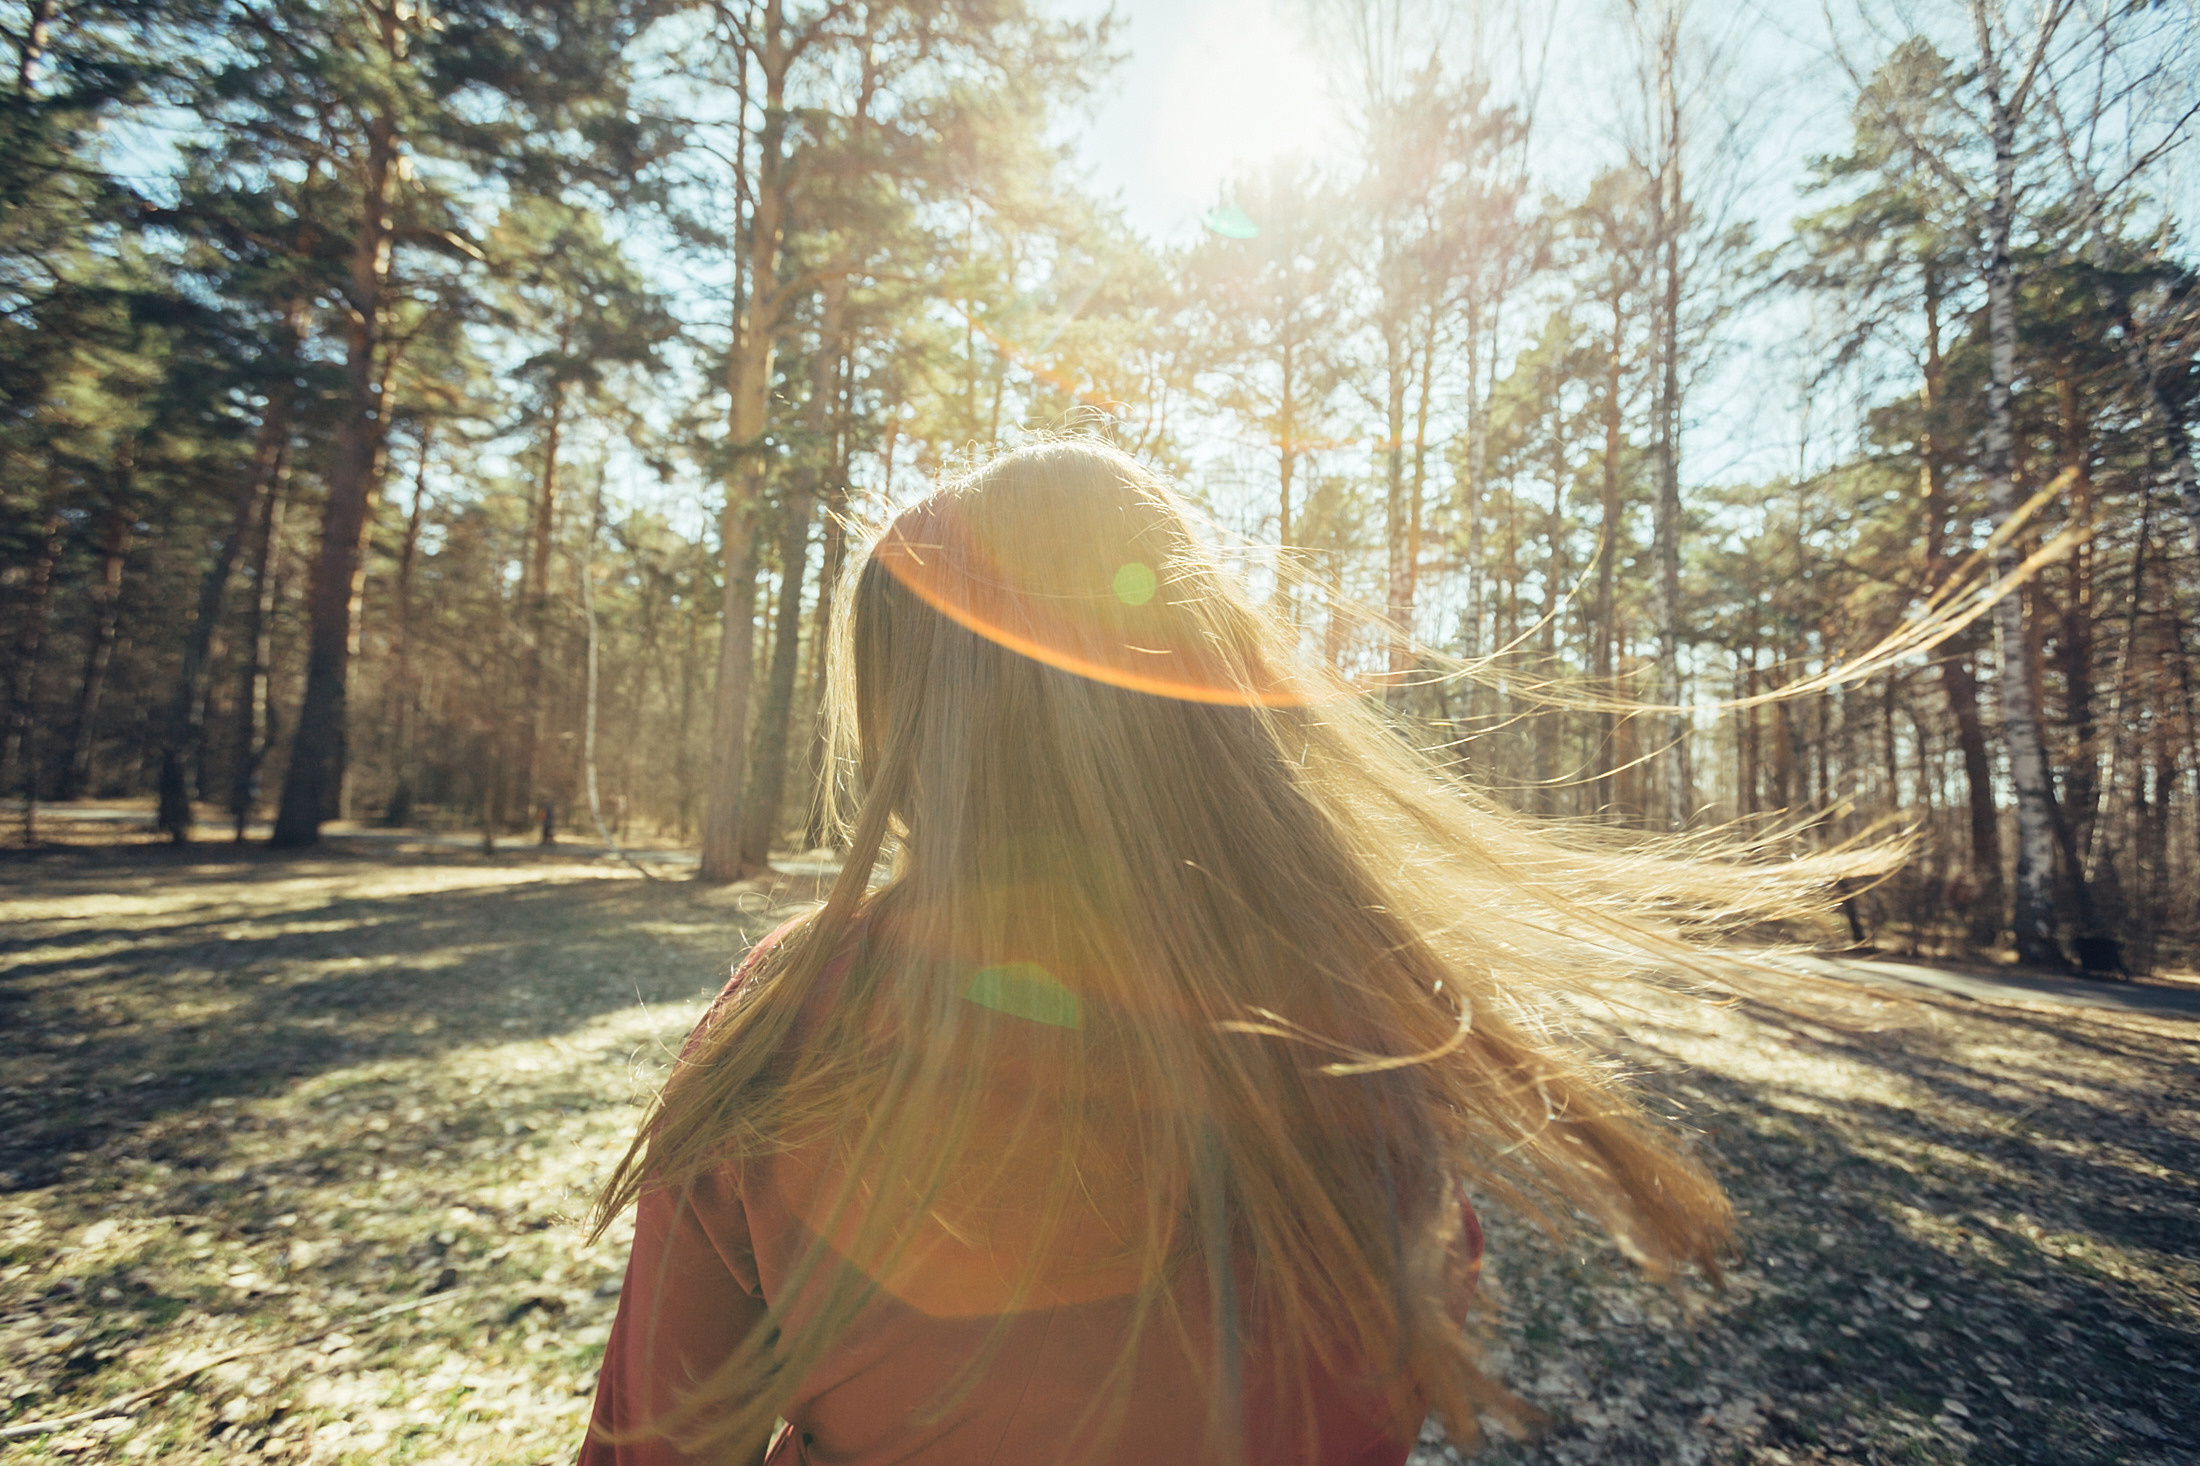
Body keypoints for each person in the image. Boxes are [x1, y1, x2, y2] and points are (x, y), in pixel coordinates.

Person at [579, 438, 1836, 1466]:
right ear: (1206, 687)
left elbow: (653, 1443)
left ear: (913, 713)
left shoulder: (804, 1010)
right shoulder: (1370, 1014)